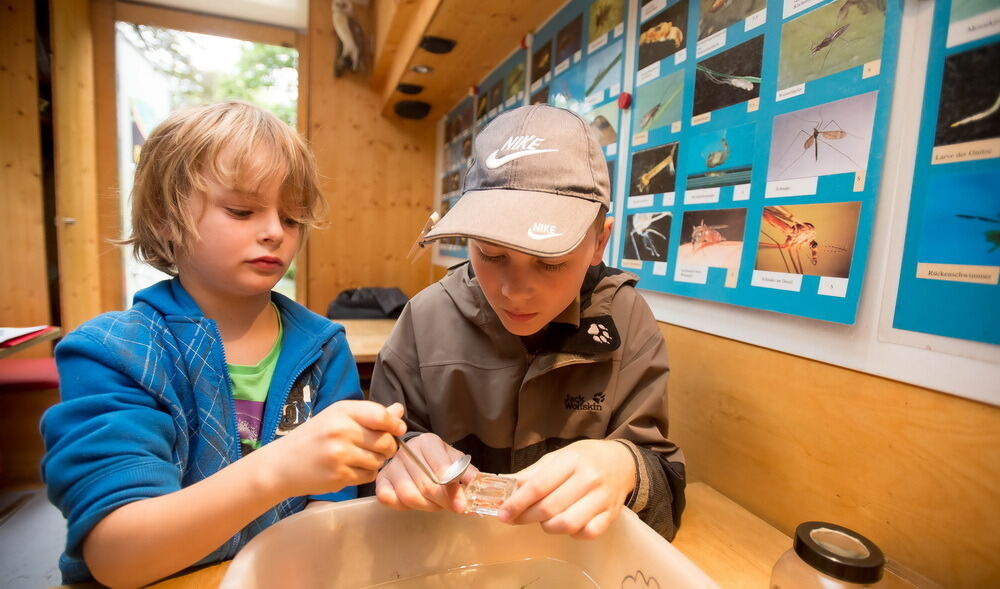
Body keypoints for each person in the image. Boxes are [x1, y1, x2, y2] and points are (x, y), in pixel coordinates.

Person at [40, 102, 406, 587]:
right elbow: (116, 555)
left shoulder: (323, 347)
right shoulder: (113, 352)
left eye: (293, 218)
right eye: (241, 210)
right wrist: (279, 468)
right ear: (165, 218)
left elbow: (331, 509)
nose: (276, 231)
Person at [370, 104, 685, 541]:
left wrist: (626, 467)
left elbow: (664, 488)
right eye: (492, 254)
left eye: (550, 260)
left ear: (600, 242)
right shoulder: (424, 320)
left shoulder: (626, 320)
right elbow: (374, 475)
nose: (515, 291)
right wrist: (398, 460)